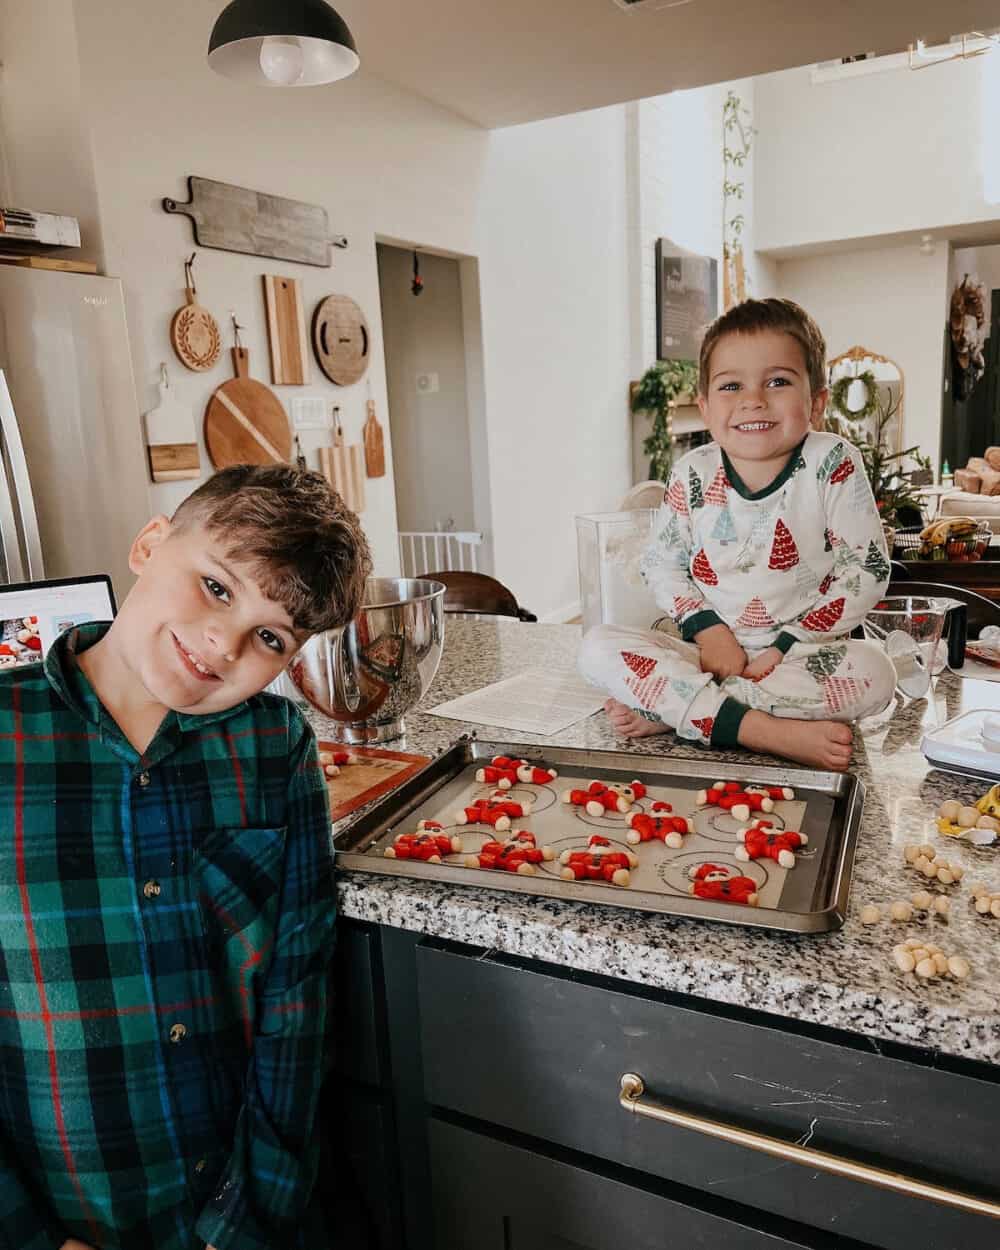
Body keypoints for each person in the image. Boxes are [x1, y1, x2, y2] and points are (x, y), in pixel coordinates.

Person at [0, 464, 372, 1250]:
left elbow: (296, 1007)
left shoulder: (277, 747)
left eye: (270, 638)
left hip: (242, 1216)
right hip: (64, 1217)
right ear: (149, 544)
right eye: (215, 586)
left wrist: (242, 1226)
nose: (222, 643)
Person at [579, 298, 896, 772]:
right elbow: (662, 564)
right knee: (594, 649)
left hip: (801, 655)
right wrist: (709, 634)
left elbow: (865, 571)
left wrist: (783, 645)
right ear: (705, 407)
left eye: (778, 381)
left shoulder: (833, 461)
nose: (754, 399)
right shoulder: (692, 470)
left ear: (816, 402)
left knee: (878, 674)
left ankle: (680, 711)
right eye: (731, 385)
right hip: (703, 651)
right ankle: (764, 731)